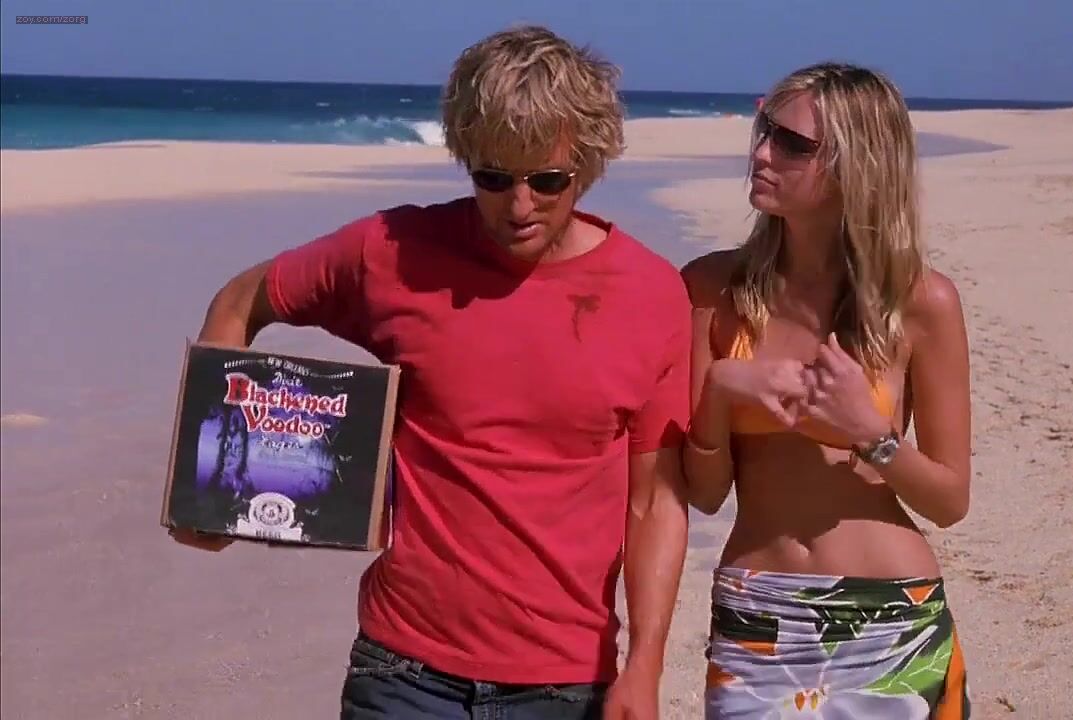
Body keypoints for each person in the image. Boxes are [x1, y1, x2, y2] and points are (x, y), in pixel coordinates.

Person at [174, 25, 691, 720]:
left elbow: (655, 501)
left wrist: (646, 664)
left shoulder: (651, 295)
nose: (519, 206)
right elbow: (243, 300)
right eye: (493, 178)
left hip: (566, 684)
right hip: (401, 672)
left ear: (590, 161)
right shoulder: (395, 252)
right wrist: (210, 485)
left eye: (547, 180)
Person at [681, 63, 973, 718]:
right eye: (764, 129)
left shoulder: (921, 303)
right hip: (757, 614)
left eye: (791, 144)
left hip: (892, 617)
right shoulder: (710, 290)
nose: (762, 152)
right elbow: (704, 494)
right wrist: (722, 388)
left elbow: (950, 500)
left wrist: (871, 435)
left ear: (854, 167)